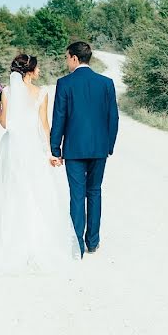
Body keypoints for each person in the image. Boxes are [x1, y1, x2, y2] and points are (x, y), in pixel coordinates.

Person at [0, 54, 81, 275]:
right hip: (33, 148)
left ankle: (12, 243)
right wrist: (51, 153)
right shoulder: (42, 93)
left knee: (13, 191)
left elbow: (6, 124)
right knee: (36, 192)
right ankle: (36, 243)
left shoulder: (7, 92)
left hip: (13, 147)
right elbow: (45, 125)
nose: (40, 70)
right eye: (38, 67)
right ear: (30, 71)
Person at [49, 41, 119, 256]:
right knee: (95, 192)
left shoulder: (64, 83)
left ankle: (77, 244)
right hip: (99, 148)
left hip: (74, 149)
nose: (66, 61)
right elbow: (113, 118)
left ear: (74, 58)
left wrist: (55, 148)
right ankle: (93, 241)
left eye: (67, 57)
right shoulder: (106, 83)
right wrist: (109, 146)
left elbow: (59, 117)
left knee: (77, 195)